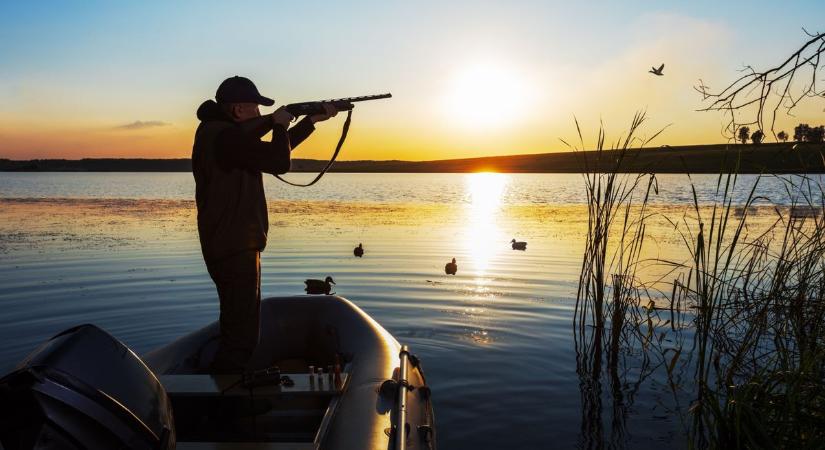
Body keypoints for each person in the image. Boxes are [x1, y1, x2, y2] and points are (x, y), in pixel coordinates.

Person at [192, 76, 338, 373]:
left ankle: (227, 392)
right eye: (256, 108)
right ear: (238, 110)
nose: (260, 114)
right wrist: (278, 124)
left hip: (233, 243)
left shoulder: (225, 136)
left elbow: (272, 155)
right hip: (233, 245)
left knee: (238, 327)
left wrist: (309, 122)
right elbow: (279, 163)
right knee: (241, 338)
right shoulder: (222, 136)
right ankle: (222, 404)